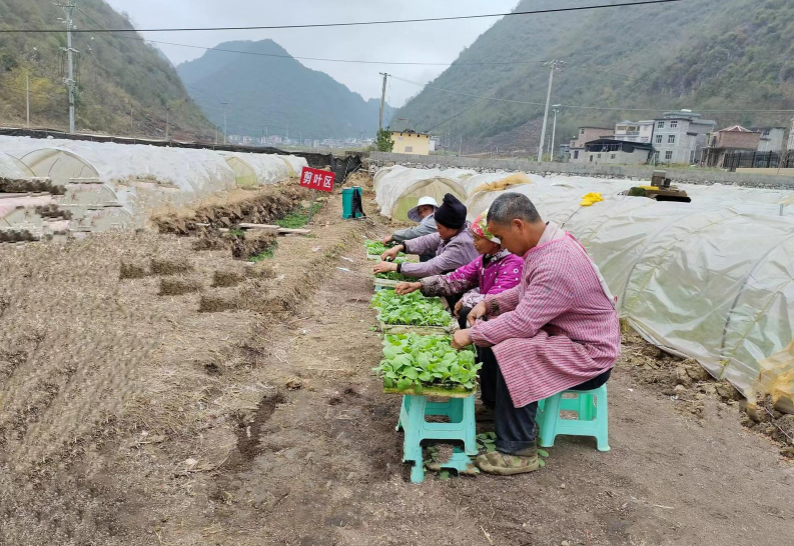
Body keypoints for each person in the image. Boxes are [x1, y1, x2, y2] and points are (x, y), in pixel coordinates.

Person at [452, 193, 620, 476]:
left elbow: (524, 323)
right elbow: (525, 293)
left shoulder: (557, 262)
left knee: (513, 347)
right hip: (565, 336)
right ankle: (496, 409)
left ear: (518, 225)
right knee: (497, 330)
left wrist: (470, 335)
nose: (500, 245)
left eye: (500, 237)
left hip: (589, 352)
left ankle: (518, 449)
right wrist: (489, 304)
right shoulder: (544, 247)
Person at [394, 211, 524, 410]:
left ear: (495, 241)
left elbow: (499, 298)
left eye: (477, 239)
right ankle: (488, 393)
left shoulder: (513, 262)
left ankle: (494, 404)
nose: (473, 243)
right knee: (471, 324)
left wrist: (467, 299)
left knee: (488, 351)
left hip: (506, 328)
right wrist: (420, 285)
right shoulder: (485, 259)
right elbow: (455, 278)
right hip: (488, 323)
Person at [374, 194, 478, 297]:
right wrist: (401, 246)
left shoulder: (461, 245)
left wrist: (393, 266)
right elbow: (428, 240)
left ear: (452, 229)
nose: (437, 230)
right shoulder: (457, 230)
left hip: (469, 291)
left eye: (439, 227)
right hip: (454, 282)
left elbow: (431, 267)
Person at [382, 196, 438, 263]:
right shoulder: (430, 222)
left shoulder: (434, 221)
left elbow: (414, 233)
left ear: (433, 209)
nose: (423, 214)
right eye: (420, 212)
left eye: (425, 209)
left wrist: (393, 236)